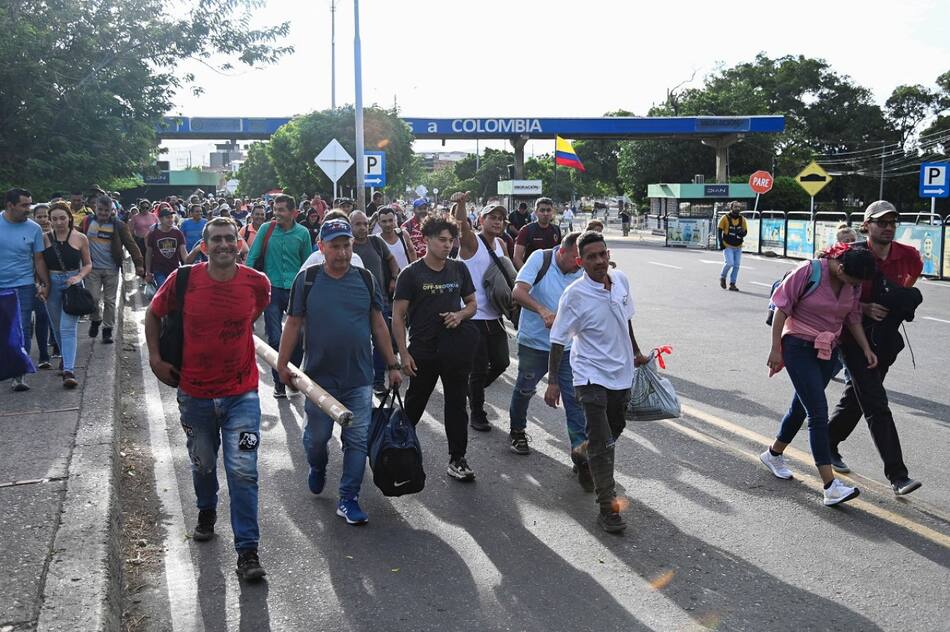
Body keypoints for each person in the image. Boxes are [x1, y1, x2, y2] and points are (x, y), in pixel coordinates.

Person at [145, 217, 271, 581]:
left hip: (242, 396)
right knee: (202, 464)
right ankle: (206, 508)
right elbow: (153, 314)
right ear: (204, 246)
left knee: (244, 470)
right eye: (216, 239)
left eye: (230, 238)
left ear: (239, 244)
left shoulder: (257, 283)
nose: (224, 244)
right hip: (195, 395)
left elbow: (253, 314)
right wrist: (155, 359)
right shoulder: (183, 279)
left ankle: (247, 551)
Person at [278, 219, 402, 526]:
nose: (343, 253)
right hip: (318, 379)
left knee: (357, 440)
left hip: (359, 378)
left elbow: (378, 323)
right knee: (317, 439)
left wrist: (392, 364)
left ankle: (348, 498)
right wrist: (282, 364)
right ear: (321, 248)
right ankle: (318, 466)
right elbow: (293, 323)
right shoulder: (308, 279)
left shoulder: (365, 278)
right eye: (335, 246)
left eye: (347, 245)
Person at [545, 231, 650, 533]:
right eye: (591, 257)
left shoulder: (621, 280)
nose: (599, 261)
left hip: (620, 372)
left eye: (602, 254)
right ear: (580, 262)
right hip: (589, 374)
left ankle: (582, 452)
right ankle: (608, 508)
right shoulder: (574, 295)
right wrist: (553, 381)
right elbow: (558, 339)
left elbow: (625, 319)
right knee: (604, 444)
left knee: (615, 428)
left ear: (608, 254)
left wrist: (636, 352)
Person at [760, 246, 879, 506]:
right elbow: (781, 309)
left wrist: (866, 348)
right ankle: (830, 486)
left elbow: (852, 317)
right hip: (797, 346)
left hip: (827, 350)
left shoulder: (853, 283)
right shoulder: (809, 271)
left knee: (800, 408)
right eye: (853, 281)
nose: (855, 286)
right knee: (817, 413)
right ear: (841, 267)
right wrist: (776, 349)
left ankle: (773, 454)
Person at [827, 201, 924, 495]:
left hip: (885, 340)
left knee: (857, 398)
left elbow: (905, 289)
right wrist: (864, 306)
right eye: (881, 222)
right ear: (866, 225)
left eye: (893, 222)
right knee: (875, 403)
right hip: (852, 338)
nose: (888, 227)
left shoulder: (910, 257)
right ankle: (898, 475)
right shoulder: (850, 254)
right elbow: (829, 288)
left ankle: (826, 441)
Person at [392, 217, 478, 482]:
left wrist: (460, 315)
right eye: (442, 240)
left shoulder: (459, 269)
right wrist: (403, 354)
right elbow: (397, 317)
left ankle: (457, 459)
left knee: (457, 405)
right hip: (423, 351)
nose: (447, 245)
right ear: (427, 240)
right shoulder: (411, 274)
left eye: (450, 240)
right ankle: (396, 453)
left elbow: (472, 304)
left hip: (454, 350)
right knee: (414, 405)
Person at [509, 232, 588, 475]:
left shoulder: (582, 270)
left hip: (566, 347)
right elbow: (518, 292)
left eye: (582, 260)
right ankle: (517, 431)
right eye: (575, 258)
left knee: (574, 399)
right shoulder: (540, 259)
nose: (579, 264)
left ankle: (580, 452)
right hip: (535, 343)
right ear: (561, 252)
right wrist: (542, 310)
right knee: (525, 388)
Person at [245, 194, 312, 398]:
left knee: (299, 338)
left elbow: (308, 265)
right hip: (271, 290)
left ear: (293, 212)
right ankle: (279, 383)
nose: (277, 213)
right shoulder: (266, 229)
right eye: (275, 209)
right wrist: (247, 284)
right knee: (275, 337)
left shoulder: (303, 233)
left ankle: (291, 373)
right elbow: (252, 257)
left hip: (295, 291)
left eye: (281, 210)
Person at [454, 195, 512, 432]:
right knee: (478, 369)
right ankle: (477, 413)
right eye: (492, 217)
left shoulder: (502, 245)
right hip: (473, 316)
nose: (497, 221)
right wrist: (461, 205)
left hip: (494, 316)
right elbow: (460, 226)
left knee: (502, 362)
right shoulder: (472, 242)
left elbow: (507, 275)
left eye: (500, 218)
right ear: (481, 220)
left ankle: (470, 389)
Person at [1, 188, 50, 391]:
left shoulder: (34, 229)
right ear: (10, 205)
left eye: (30, 204)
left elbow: (38, 259)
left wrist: (45, 284)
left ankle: (19, 375)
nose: (28, 209)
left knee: (21, 329)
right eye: (24, 205)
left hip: (23, 286)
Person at [79, 195, 143, 344]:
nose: (103, 213)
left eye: (106, 210)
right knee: (93, 298)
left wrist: (139, 264)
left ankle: (107, 330)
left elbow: (131, 244)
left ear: (111, 210)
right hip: (92, 268)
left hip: (112, 269)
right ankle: (96, 319)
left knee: (110, 301)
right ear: (95, 208)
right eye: (100, 210)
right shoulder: (87, 222)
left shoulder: (119, 225)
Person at [349, 211, 400, 395]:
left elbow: (391, 260)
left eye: (365, 223)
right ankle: (359, 382)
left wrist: (394, 278)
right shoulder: (347, 246)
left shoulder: (376, 242)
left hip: (380, 301)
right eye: (358, 224)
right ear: (350, 226)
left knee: (382, 342)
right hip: (356, 305)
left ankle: (378, 381)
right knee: (359, 344)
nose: (363, 228)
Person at [42, 203, 92, 388]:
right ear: (50, 220)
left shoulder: (80, 238)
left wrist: (78, 277)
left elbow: (88, 264)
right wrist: (42, 284)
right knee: (56, 327)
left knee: (67, 328)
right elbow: (38, 263)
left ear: (69, 218)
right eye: (54, 219)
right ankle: (65, 357)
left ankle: (69, 371)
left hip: (72, 284)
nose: (59, 222)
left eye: (62, 218)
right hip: (52, 284)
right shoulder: (44, 238)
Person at [29, 203, 54, 368]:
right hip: (32, 280)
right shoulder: (30, 233)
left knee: (51, 317)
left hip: (53, 280)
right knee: (40, 316)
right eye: (40, 216)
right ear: (34, 218)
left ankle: (54, 347)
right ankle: (43, 355)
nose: (43, 220)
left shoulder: (56, 235)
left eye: (46, 216)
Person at [145, 207, 187, 290]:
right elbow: (149, 254)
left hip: (174, 268)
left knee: (175, 291)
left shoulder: (178, 233)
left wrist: (188, 265)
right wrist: (148, 271)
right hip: (159, 269)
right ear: (161, 219)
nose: (170, 220)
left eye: (171, 217)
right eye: (167, 217)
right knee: (164, 289)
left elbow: (183, 251)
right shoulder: (154, 234)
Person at [514, 197, 562, 269]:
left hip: (551, 271)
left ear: (552, 212)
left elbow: (560, 255)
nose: (545, 213)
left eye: (548, 210)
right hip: (532, 271)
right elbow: (517, 258)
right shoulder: (526, 230)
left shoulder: (556, 229)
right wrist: (527, 274)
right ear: (536, 212)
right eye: (542, 210)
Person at [718, 201, 748, 291]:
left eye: (739, 207)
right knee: (729, 263)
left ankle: (732, 284)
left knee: (736, 265)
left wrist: (742, 233)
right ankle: (723, 277)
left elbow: (745, 232)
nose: (737, 209)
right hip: (727, 245)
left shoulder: (742, 219)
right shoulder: (725, 218)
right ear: (731, 208)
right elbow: (719, 230)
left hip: (738, 246)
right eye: (735, 207)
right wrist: (721, 243)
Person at [377, 206, 416, 272]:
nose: (388, 224)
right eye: (384, 221)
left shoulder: (403, 234)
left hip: (407, 276)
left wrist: (414, 270)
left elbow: (412, 251)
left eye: (390, 220)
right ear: (379, 223)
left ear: (395, 220)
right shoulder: (376, 240)